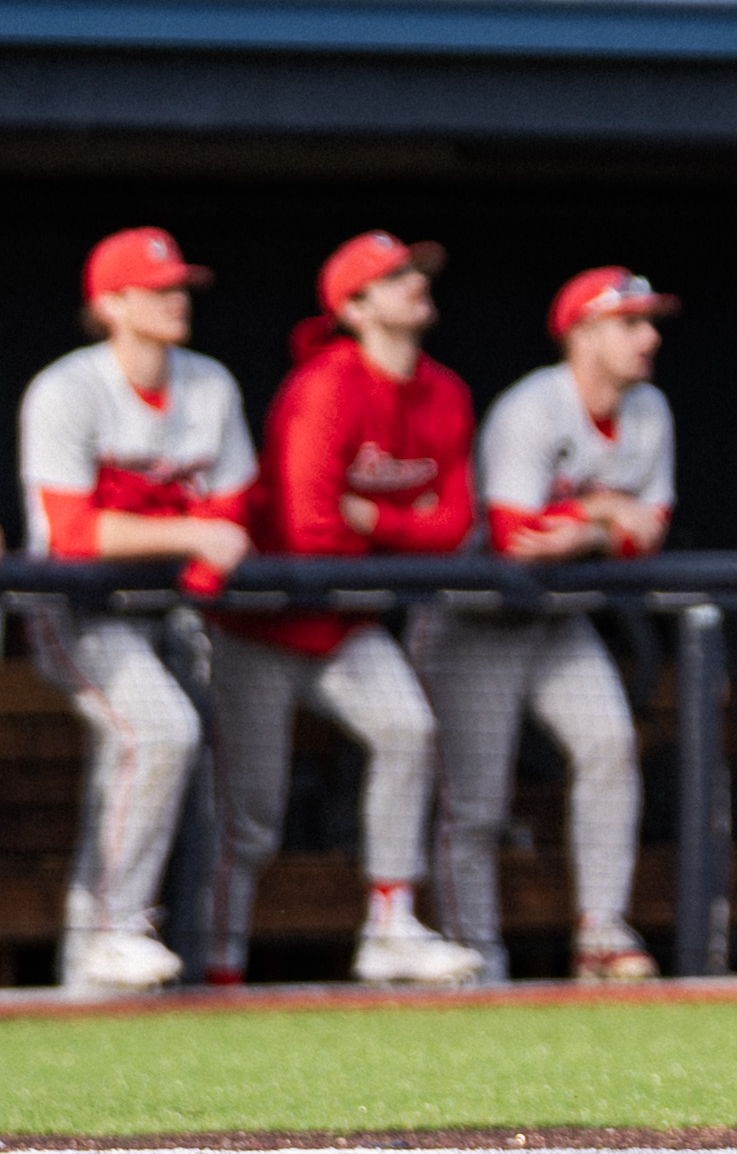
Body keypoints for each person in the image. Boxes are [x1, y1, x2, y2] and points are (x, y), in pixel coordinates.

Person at [204, 231, 484, 987]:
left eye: (415, 272)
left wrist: (375, 518)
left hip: (347, 623)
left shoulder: (446, 391)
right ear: (353, 308)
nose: (415, 283)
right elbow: (311, 533)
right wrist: (404, 526)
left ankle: (391, 928)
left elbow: (455, 527)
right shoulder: (323, 386)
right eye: (393, 277)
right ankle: (217, 965)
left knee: (407, 729)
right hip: (261, 623)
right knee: (251, 819)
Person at [409, 267, 676, 984]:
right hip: (474, 618)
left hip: (557, 621)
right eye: (630, 322)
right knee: (476, 803)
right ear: (581, 333)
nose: (649, 337)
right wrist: (603, 513)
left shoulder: (649, 409)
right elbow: (515, 541)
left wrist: (586, 529)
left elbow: (652, 530)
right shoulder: (533, 407)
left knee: (610, 745)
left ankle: (601, 933)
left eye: (649, 322)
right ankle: (476, 956)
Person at [19, 227, 256, 992]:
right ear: (111, 303)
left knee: (143, 761)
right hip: (75, 608)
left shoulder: (211, 385)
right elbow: (72, 534)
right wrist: (188, 534)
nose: (176, 299)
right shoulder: (68, 388)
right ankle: (114, 928)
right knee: (159, 729)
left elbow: (232, 512)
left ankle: (92, 965)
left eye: (180, 285)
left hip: (167, 613)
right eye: (157, 289)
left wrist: (200, 553)